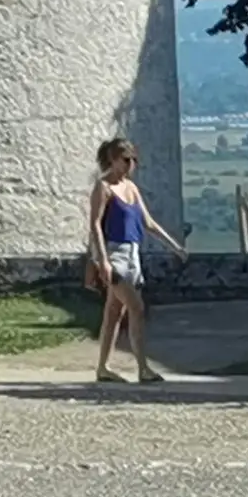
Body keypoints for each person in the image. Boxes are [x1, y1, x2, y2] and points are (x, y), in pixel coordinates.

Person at [83, 135, 184, 384]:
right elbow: (95, 224)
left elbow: (147, 222)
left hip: (133, 253)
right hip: (114, 253)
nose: (131, 165)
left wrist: (174, 245)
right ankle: (142, 368)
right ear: (113, 160)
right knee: (137, 308)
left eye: (134, 160)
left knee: (114, 312)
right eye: (126, 160)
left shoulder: (131, 188)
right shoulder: (103, 187)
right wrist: (103, 261)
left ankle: (103, 368)